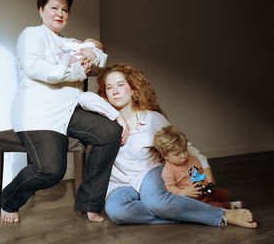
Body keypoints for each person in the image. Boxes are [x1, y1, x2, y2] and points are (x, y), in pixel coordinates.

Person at [0, 0, 126, 223]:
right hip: (39, 113)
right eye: (54, 8)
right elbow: (37, 68)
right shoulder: (32, 34)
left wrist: (94, 49)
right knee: (51, 170)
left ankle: (90, 203)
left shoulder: (71, 42)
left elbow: (97, 66)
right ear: (41, 10)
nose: (60, 13)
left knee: (110, 132)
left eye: (65, 10)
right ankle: (9, 199)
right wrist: (75, 70)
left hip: (70, 110)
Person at [78, 63, 257, 228]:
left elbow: (184, 146)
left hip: (149, 174)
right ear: (105, 95)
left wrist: (206, 167)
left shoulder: (151, 119)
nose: (115, 91)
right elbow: (83, 98)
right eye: (109, 88)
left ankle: (222, 214)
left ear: (133, 90)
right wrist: (116, 118)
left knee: (155, 201)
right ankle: (190, 209)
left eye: (120, 85)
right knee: (117, 213)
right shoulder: (102, 122)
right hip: (119, 184)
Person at [154, 125, 243, 209]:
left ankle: (217, 200)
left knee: (225, 194)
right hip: (191, 199)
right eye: (177, 154)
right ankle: (228, 206)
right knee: (211, 206)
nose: (183, 156)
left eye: (184, 150)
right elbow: (169, 188)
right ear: (165, 155)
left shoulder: (193, 159)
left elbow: (201, 172)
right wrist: (183, 192)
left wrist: (206, 182)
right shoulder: (168, 171)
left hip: (203, 192)